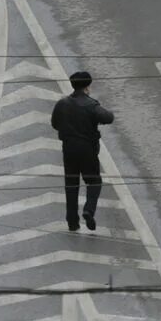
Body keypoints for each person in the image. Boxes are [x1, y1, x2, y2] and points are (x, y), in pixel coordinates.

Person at [52, 70, 114, 231]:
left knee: (71, 184)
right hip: (88, 150)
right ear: (88, 86)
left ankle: (72, 222)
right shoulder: (91, 105)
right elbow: (108, 118)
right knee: (94, 181)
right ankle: (88, 210)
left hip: (69, 149)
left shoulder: (62, 103)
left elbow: (54, 123)